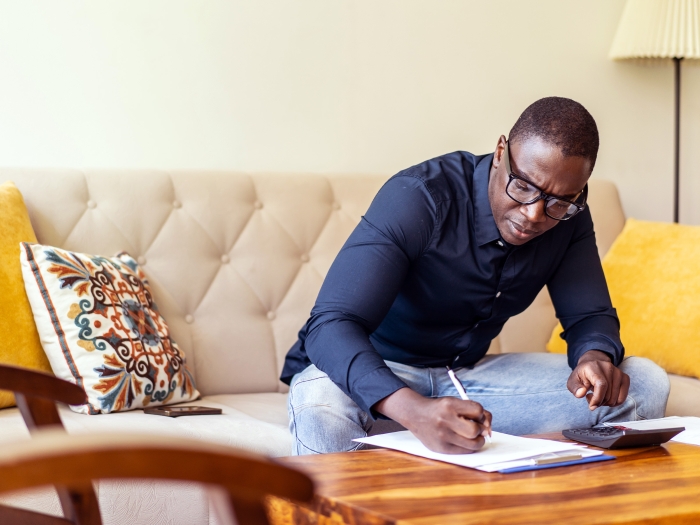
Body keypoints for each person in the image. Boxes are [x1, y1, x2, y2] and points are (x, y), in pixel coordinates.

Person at [280, 96, 670, 456]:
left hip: (470, 378)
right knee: (320, 403)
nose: (534, 214)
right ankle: (395, 439)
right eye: (523, 186)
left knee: (644, 382)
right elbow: (330, 325)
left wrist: (594, 357)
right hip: (379, 369)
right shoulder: (421, 197)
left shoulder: (569, 218)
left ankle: (548, 493)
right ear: (501, 152)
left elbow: (589, 316)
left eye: (559, 200)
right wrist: (414, 411)